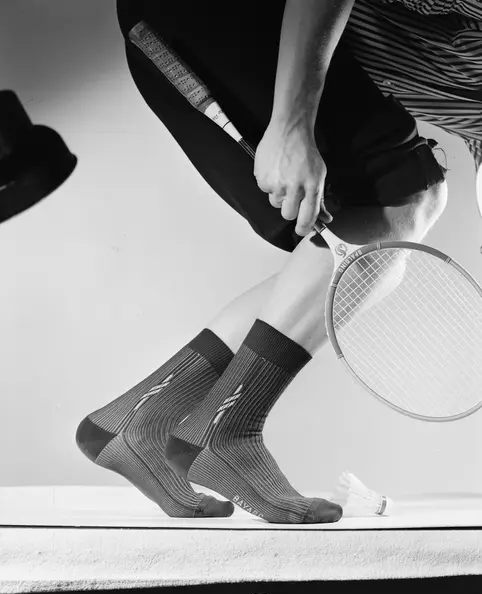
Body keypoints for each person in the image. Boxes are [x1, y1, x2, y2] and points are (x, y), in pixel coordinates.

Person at [76, 0, 449, 524]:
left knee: (375, 254)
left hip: (219, 28)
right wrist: (293, 121)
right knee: (401, 200)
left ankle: (144, 418)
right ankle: (222, 432)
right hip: (240, 19)